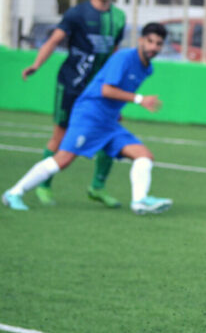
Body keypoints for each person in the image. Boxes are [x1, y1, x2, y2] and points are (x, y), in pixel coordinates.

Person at [3, 23, 173, 215]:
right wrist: (140, 99)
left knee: (144, 156)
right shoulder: (124, 58)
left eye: (158, 44)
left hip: (108, 121)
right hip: (90, 114)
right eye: (150, 41)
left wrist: (117, 111)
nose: (153, 47)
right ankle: (14, 193)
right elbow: (106, 90)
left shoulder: (147, 68)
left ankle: (139, 201)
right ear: (140, 40)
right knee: (63, 159)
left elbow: (120, 90)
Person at [21, 0, 126, 208]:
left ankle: (97, 187)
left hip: (100, 90)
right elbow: (54, 40)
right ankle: (44, 186)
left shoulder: (119, 18)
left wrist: (117, 91)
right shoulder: (77, 13)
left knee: (109, 133)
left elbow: (114, 54)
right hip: (72, 86)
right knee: (60, 137)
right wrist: (36, 64)